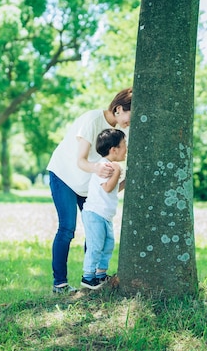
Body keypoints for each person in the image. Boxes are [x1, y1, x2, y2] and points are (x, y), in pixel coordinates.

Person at [47, 87, 132, 293]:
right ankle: (60, 284)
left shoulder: (124, 129)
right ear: (118, 108)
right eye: (131, 115)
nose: (131, 122)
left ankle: (92, 280)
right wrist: (96, 168)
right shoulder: (92, 119)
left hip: (91, 185)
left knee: (96, 233)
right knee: (67, 228)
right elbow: (81, 160)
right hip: (65, 176)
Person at [80, 128, 127, 289]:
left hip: (105, 215)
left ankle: (100, 274)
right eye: (124, 145)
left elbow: (113, 189)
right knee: (95, 245)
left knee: (108, 245)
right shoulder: (104, 166)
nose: (126, 148)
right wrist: (117, 172)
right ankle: (87, 277)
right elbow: (107, 187)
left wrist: (125, 181)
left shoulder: (111, 167)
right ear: (114, 150)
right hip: (94, 213)